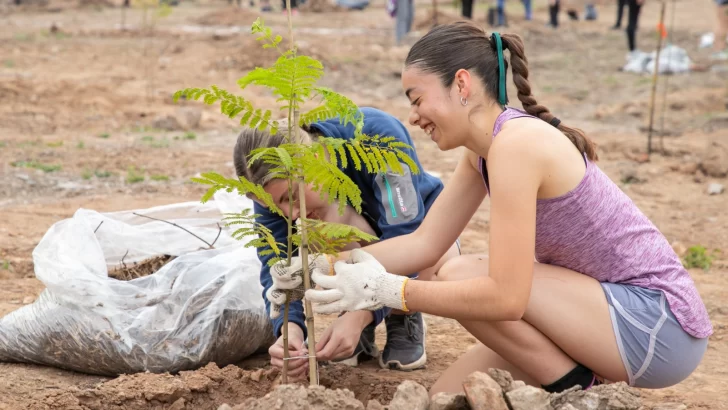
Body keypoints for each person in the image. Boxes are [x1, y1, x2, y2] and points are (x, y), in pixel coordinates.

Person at [278, 21, 711, 394]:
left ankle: (574, 389)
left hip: (657, 327)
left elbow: (506, 297)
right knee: (445, 396)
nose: (413, 116)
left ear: (461, 84)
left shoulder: (517, 146)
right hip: (598, 317)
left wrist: (392, 292)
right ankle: (569, 375)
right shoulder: (483, 152)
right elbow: (426, 243)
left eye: (416, 98)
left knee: (462, 273)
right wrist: (321, 264)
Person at [234, 107, 460, 381]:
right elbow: (280, 268)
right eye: (274, 206)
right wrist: (289, 329)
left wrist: (361, 316)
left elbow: (410, 237)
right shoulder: (271, 190)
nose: (289, 213)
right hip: (360, 257)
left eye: (291, 196)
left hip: (426, 237)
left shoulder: (375, 137)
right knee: (312, 225)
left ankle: (402, 312)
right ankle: (356, 312)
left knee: (336, 215)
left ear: (312, 159)